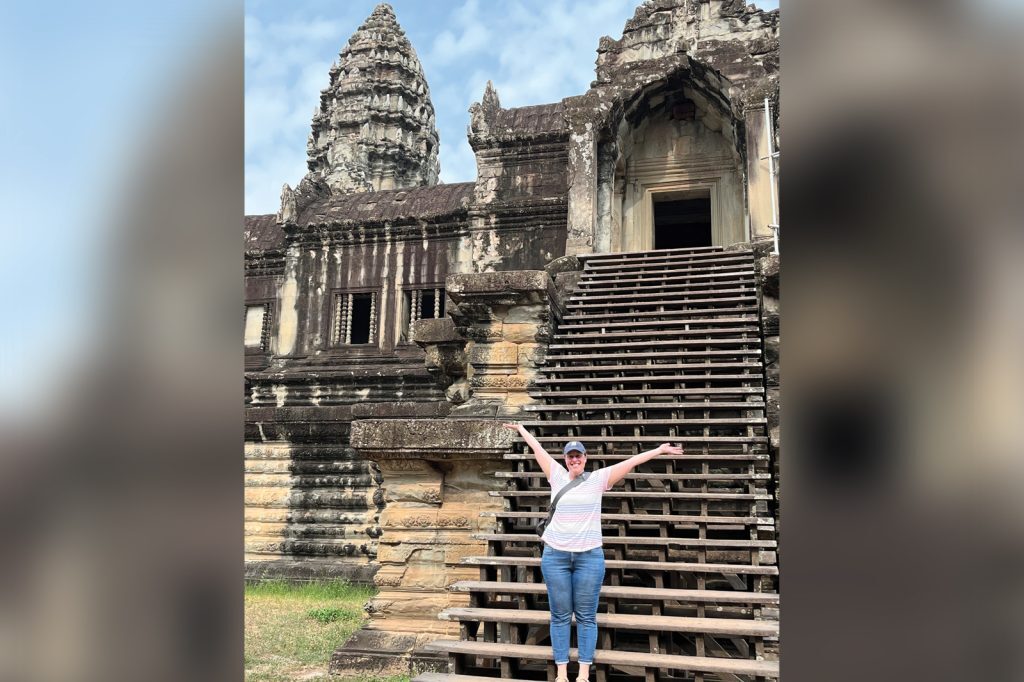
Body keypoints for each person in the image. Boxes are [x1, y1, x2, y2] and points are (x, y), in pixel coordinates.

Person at [502, 423, 683, 682]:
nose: (574, 459)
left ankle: (584, 672)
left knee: (586, 616)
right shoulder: (556, 474)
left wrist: (659, 450)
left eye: (578, 455)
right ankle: (562, 671)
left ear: (585, 459)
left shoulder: (598, 479)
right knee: (560, 615)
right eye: (570, 456)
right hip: (556, 556)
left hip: (589, 557)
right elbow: (537, 448)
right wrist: (521, 428)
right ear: (565, 460)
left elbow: (630, 462)